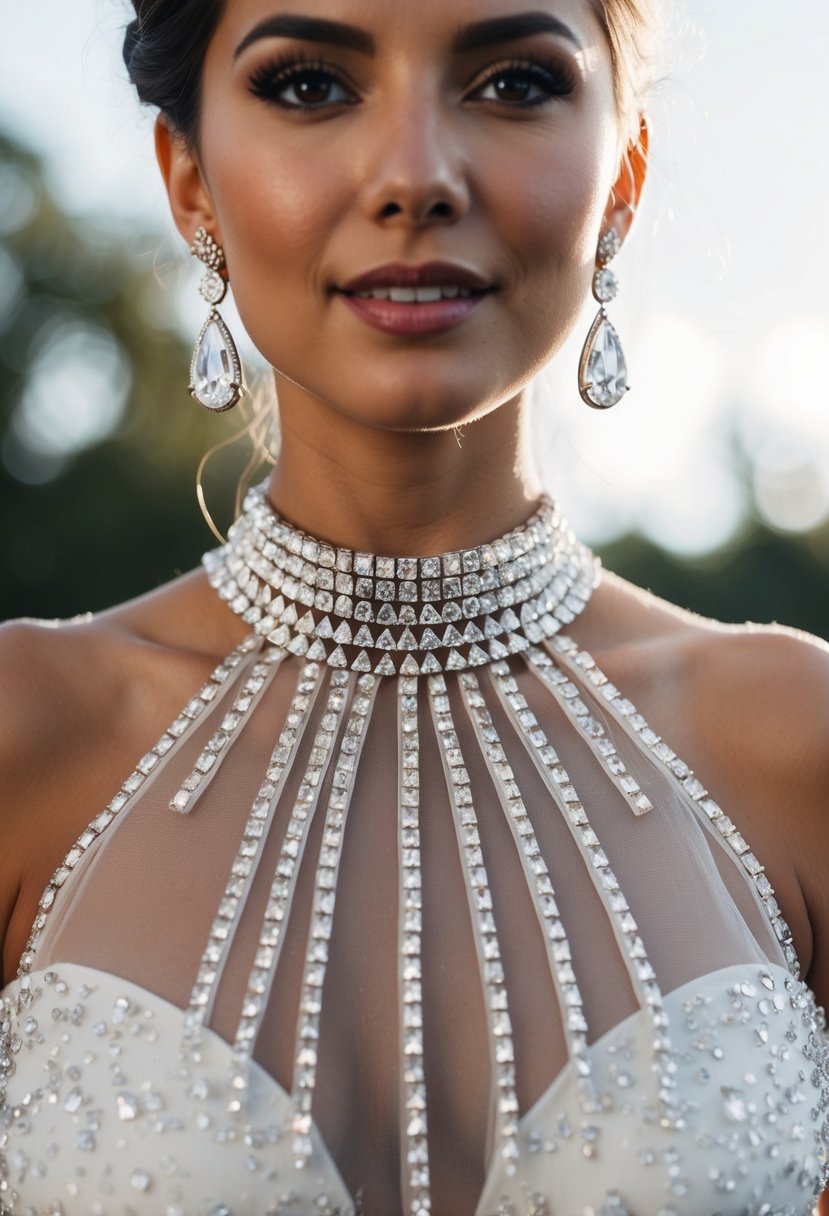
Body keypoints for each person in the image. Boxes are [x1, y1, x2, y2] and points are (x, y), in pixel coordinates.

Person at [1, 1, 828, 1213]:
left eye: (513, 81)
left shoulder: (798, 746)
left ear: (625, 169)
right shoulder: (25, 736)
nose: (414, 177)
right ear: (189, 182)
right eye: (307, 86)